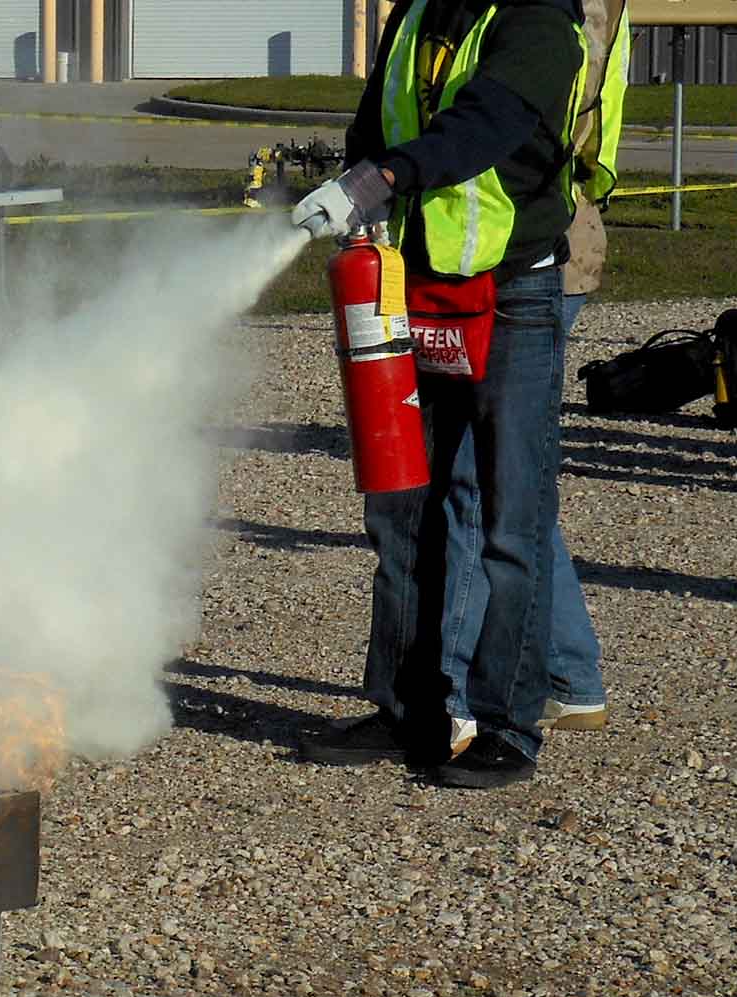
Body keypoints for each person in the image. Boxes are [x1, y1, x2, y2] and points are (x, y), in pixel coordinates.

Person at [292, 0, 616, 789]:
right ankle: (411, 710)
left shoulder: (540, 17)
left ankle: (508, 721)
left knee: (512, 518)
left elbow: (492, 118)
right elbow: (378, 118)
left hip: (514, 295)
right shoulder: (417, 11)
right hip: (417, 284)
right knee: (403, 506)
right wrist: (360, 182)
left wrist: (389, 174)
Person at [440, 0, 627, 740]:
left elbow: (514, 107)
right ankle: (569, 673)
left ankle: (478, 691)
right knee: (511, 485)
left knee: (491, 486)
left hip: (534, 238)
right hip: (537, 229)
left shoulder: (550, 11)